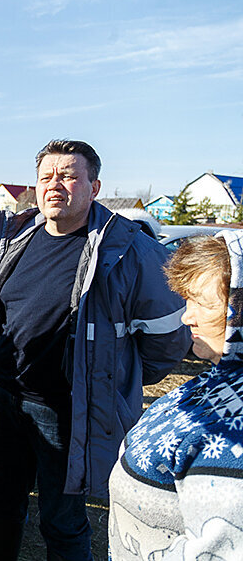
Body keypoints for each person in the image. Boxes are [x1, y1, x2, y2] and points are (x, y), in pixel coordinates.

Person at [0, 140, 191, 560]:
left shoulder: (129, 250)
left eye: (69, 176)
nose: (55, 185)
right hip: (6, 401)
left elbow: (169, 337)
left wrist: (118, 373)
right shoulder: (18, 236)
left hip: (68, 412)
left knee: (62, 521)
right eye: (46, 177)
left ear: (94, 187)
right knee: (0, 506)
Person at [108, 231, 243, 560]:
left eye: (203, 303)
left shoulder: (234, 433)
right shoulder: (220, 373)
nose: (186, 317)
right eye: (188, 299)